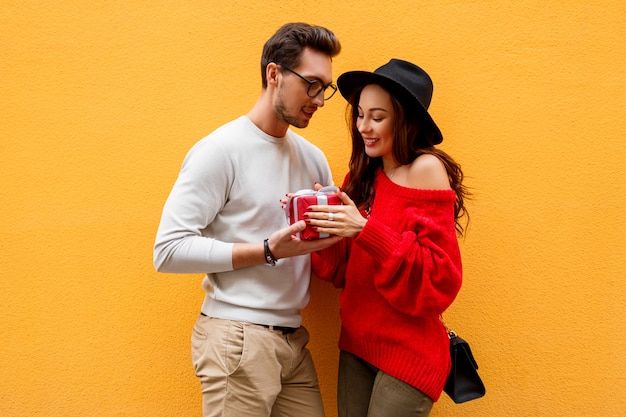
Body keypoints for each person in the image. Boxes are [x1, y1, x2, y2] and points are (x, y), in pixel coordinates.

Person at [153, 22, 342, 417]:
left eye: (325, 87)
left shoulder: (313, 158)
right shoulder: (220, 151)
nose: (320, 99)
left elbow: (324, 247)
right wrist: (268, 250)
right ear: (274, 74)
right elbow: (168, 250)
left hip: (293, 340)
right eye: (311, 84)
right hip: (236, 337)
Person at [304, 59, 470, 417]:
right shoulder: (362, 176)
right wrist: (320, 220)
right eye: (360, 115)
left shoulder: (426, 170)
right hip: (356, 344)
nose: (364, 127)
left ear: (405, 120)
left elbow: (440, 280)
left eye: (377, 117)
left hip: (409, 354)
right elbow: (338, 272)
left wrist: (365, 230)